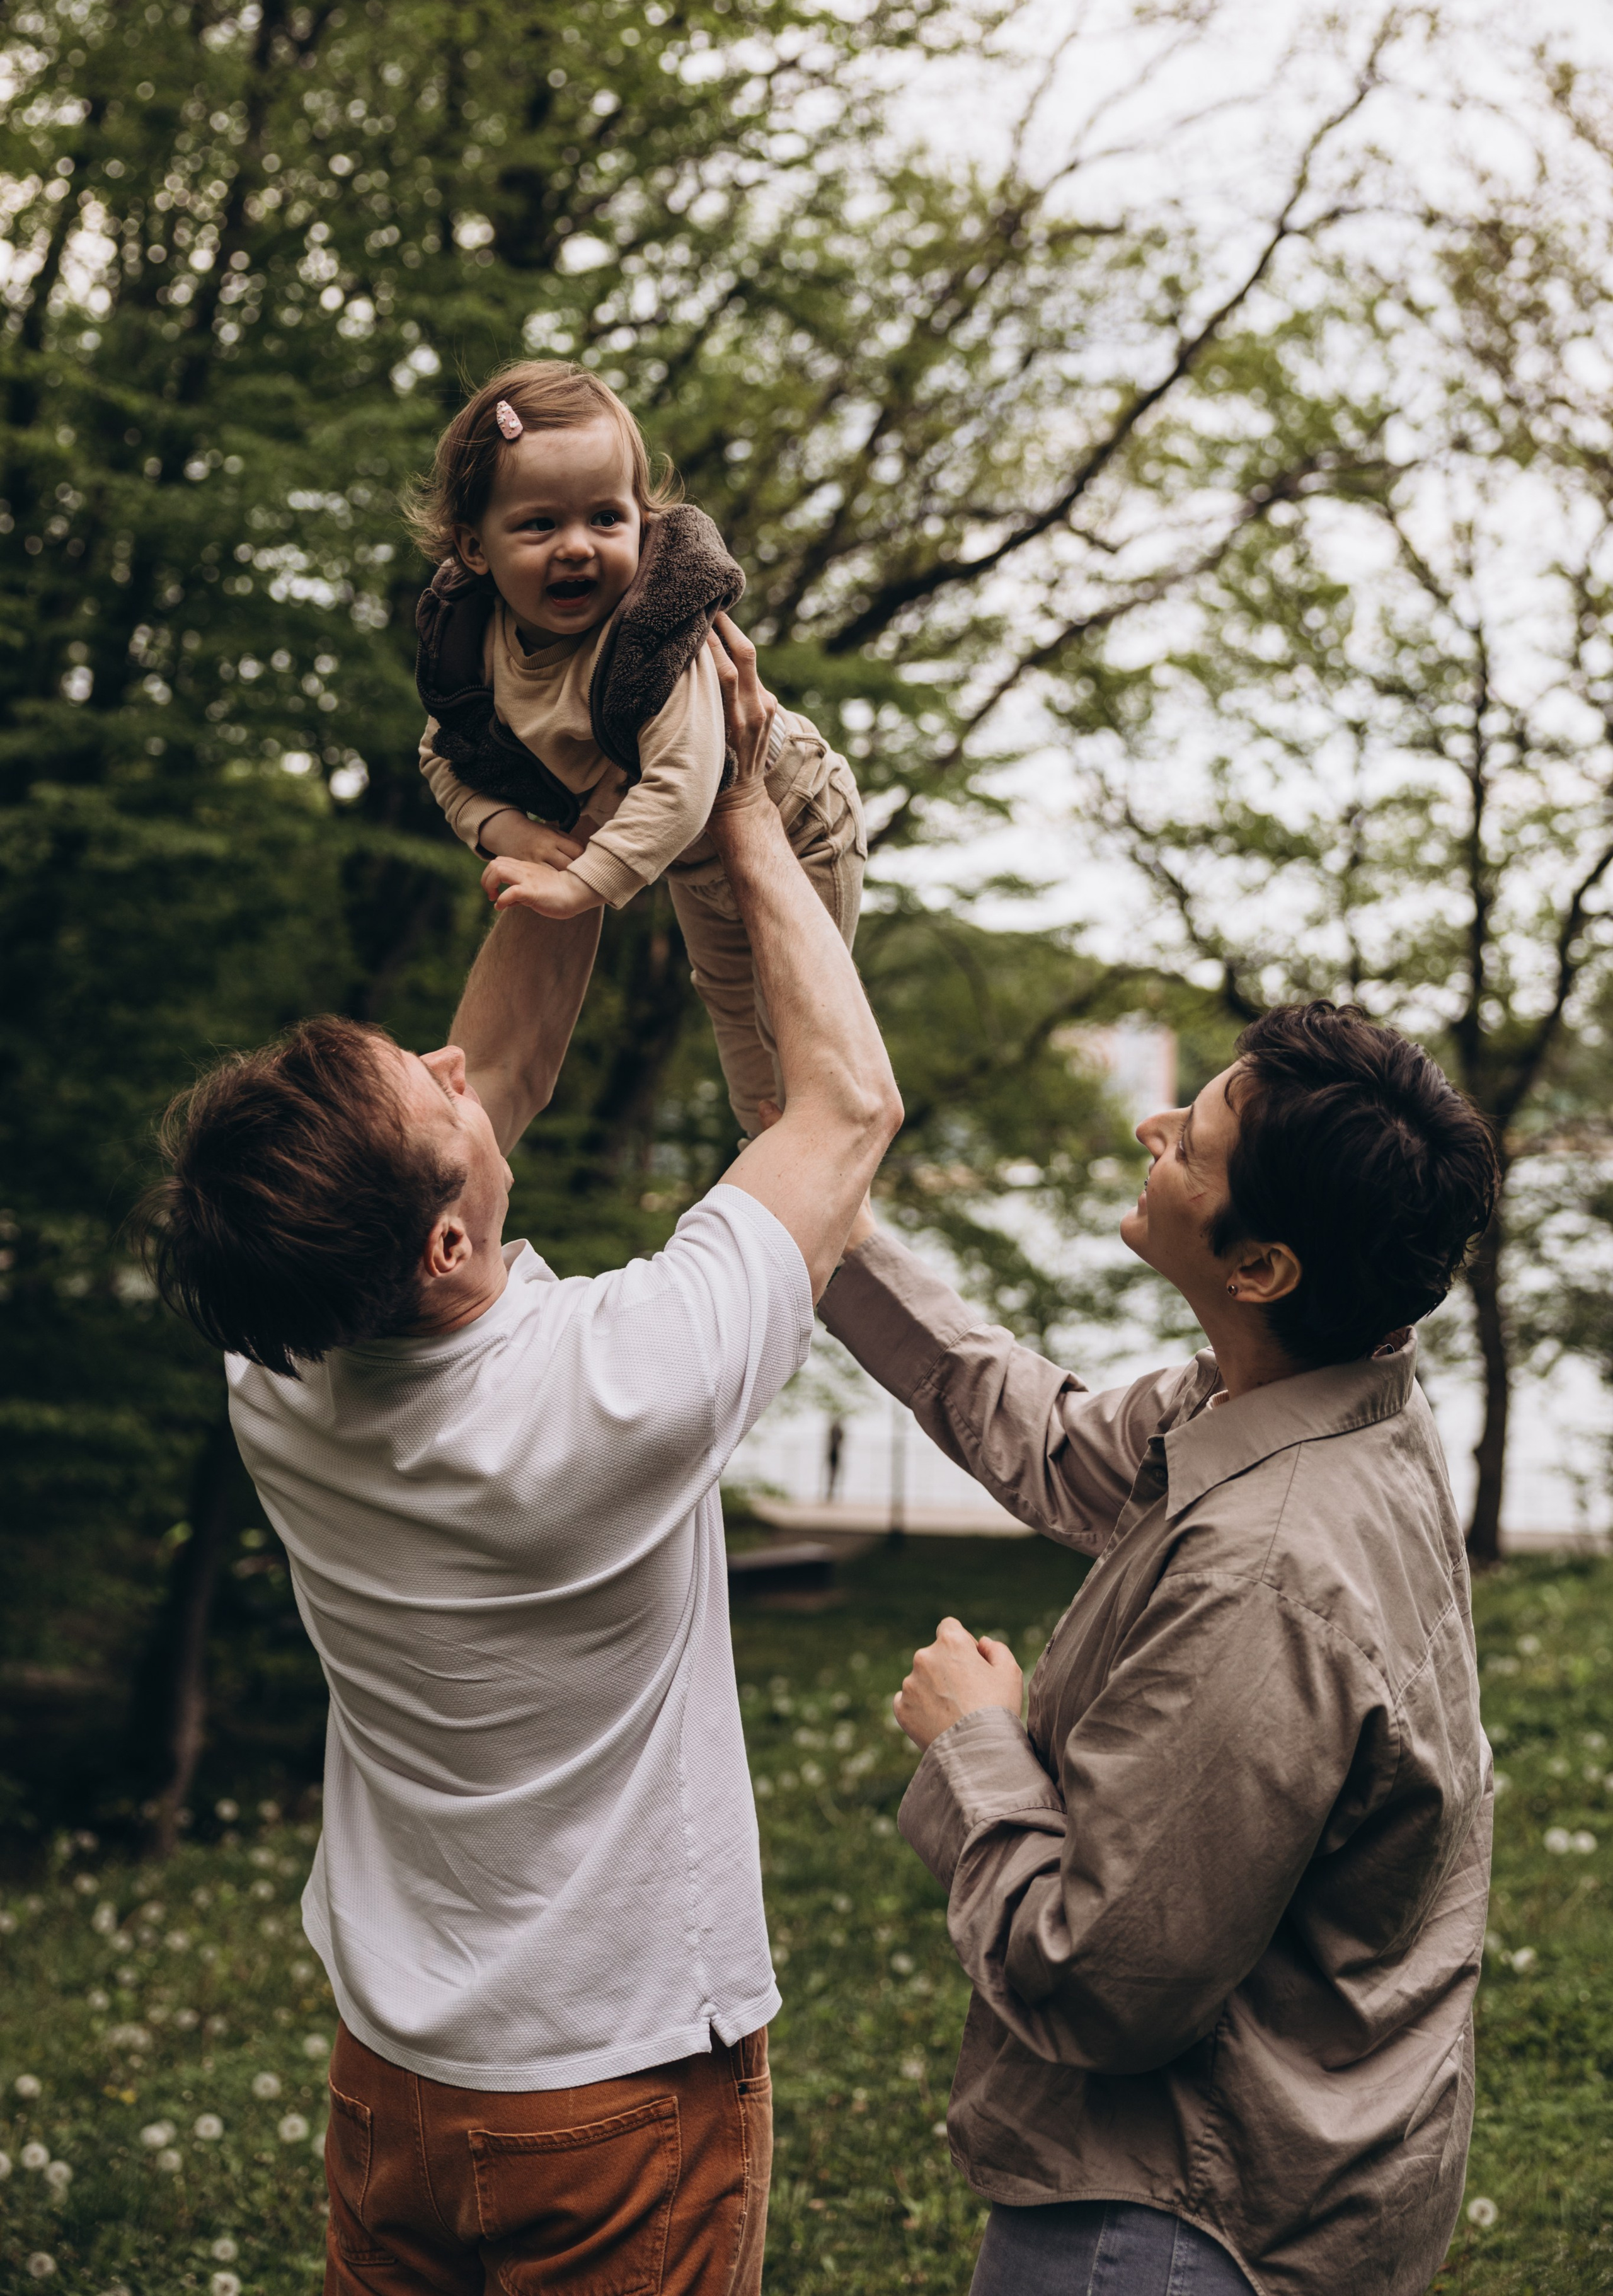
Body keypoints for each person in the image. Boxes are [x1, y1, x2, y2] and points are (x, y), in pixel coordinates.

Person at [137, 625, 901, 2296]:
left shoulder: (283, 1365)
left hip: (396, 2081)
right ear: (438, 1247)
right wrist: (743, 808)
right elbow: (843, 1117)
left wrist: (578, 860)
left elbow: (502, 1073)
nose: (445, 1058)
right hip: (621, 2094)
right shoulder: (624, 1385)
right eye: (420, 1086)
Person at [817, 1004, 1500, 2296]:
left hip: (1170, 2232)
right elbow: (1022, 1422)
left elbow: (1099, 1986)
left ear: (1259, 1269)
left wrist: (975, 1743)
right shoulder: (1317, 1399)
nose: (1152, 1128)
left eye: (1190, 1145)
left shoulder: (1262, 1577)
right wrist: (818, 1211)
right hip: (1277, 2187)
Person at [410, 357, 866, 1138]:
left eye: (606, 519)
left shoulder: (652, 637)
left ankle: (827, 1186)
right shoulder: (472, 649)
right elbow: (442, 760)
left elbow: (688, 782)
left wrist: (583, 882)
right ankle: (778, 1163)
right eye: (539, 525)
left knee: (793, 1032)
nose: (578, 547)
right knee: (730, 1016)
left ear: (644, 524)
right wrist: (507, 830)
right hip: (686, 852)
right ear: (474, 549)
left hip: (790, 818)